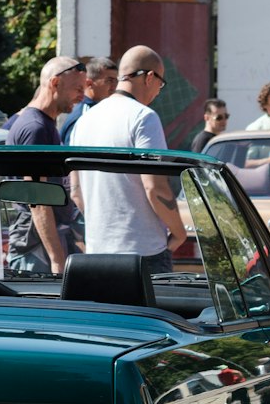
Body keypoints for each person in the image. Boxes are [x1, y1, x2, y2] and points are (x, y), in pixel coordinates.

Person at [71, 45, 187, 275]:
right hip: (143, 252)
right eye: (161, 84)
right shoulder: (143, 117)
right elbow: (154, 186)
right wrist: (179, 232)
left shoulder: (84, 121)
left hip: (96, 251)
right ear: (150, 77)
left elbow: (75, 190)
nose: (158, 92)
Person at [6, 55, 86, 275]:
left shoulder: (44, 124)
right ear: (55, 83)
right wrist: (57, 259)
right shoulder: (35, 128)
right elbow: (37, 200)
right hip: (36, 248)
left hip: (44, 242)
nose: (82, 96)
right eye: (77, 88)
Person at [60, 56, 119, 143]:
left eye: (116, 81)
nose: (115, 86)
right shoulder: (82, 115)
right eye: (109, 81)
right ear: (89, 83)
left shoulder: (105, 109)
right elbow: (72, 153)